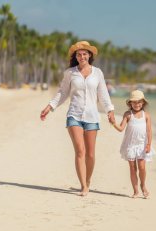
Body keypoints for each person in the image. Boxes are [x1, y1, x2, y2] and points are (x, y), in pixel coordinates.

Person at [40, 41, 115, 196]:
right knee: (80, 151)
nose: (82, 56)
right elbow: (62, 92)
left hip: (92, 116)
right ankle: (83, 186)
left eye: (84, 54)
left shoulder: (98, 73)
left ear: (89, 55)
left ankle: (88, 180)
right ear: (76, 57)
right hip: (74, 115)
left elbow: (103, 94)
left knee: (91, 154)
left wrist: (110, 110)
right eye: (79, 54)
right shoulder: (70, 73)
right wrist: (50, 107)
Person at [111, 90, 155, 199]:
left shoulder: (146, 115)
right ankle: (135, 191)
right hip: (130, 145)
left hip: (142, 145)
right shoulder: (128, 114)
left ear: (143, 103)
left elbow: (149, 131)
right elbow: (121, 129)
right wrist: (113, 123)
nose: (137, 104)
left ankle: (143, 185)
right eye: (134, 102)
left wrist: (149, 144)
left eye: (139, 102)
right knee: (132, 168)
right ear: (130, 103)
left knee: (142, 167)